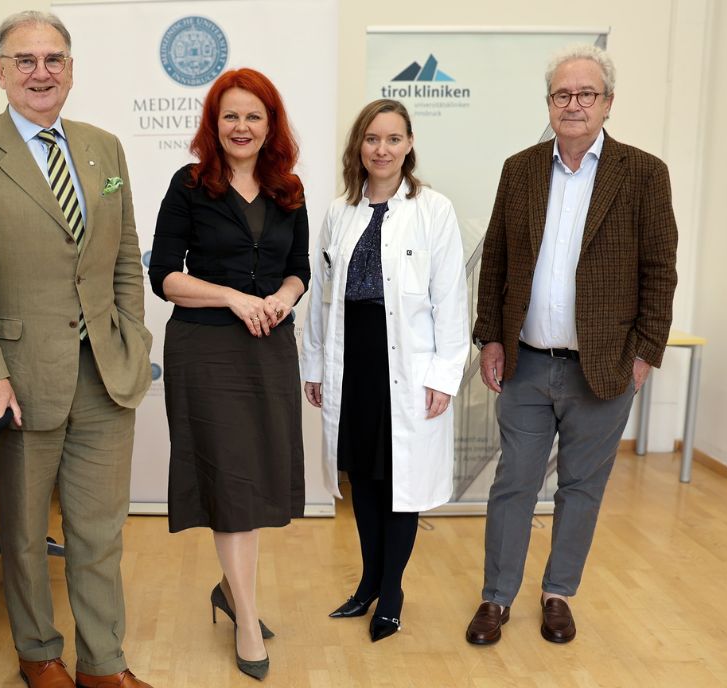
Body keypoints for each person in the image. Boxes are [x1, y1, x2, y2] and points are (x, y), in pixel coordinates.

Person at [0, 11, 154, 688]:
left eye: (54, 59)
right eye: (24, 60)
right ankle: (38, 654)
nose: (41, 72)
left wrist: (131, 335)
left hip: (105, 373)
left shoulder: (103, 149)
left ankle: (103, 664)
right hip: (22, 379)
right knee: (26, 535)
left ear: (71, 69)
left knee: (99, 532)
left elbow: (122, 258)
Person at [465, 44, 678, 646]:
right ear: (550, 104)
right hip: (528, 362)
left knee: (582, 488)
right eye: (563, 94)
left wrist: (644, 354)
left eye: (587, 94)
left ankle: (558, 593)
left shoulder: (643, 173)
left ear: (608, 103)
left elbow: (661, 270)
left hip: (604, 369)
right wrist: (490, 339)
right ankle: (495, 599)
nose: (575, 104)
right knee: (514, 484)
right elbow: (498, 262)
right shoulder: (520, 168)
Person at [147, 67, 308, 681]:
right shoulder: (189, 186)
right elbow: (165, 276)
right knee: (232, 484)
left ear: (271, 126)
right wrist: (234, 298)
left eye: (254, 116)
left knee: (253, 480)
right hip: (208, 349)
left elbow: (299, 269)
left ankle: (230, 590)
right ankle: (245, 616)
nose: (242, 127)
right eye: (230, 116)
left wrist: (283, 298)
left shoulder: (289, 188)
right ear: (214, 126)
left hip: (269, 347)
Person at [300, 99, 468, 643]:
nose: (382, 149)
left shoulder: (433, 209)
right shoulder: (339, 211)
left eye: (393, 139)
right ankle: (368, 581)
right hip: (353, 359)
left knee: (403, 483)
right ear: (359, 146)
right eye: (372, 139)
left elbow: (451, 297)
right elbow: (321, 297)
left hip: (410, 364)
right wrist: (315, 364)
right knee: (364, 475)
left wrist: (444, 375)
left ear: (409, 144)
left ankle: (391, 592)